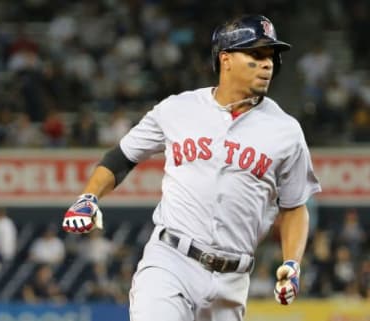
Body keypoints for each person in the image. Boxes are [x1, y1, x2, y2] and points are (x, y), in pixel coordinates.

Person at [62, 15, 321, 321]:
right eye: (256, 54)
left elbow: (294, 206)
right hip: (172, 261)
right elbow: (122, 157)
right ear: (225, 59)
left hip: (232, 281)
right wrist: (89, 196)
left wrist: (292, 263)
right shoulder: (177, 109)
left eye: (271, 56)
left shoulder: (286, 131)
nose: (267, 64)